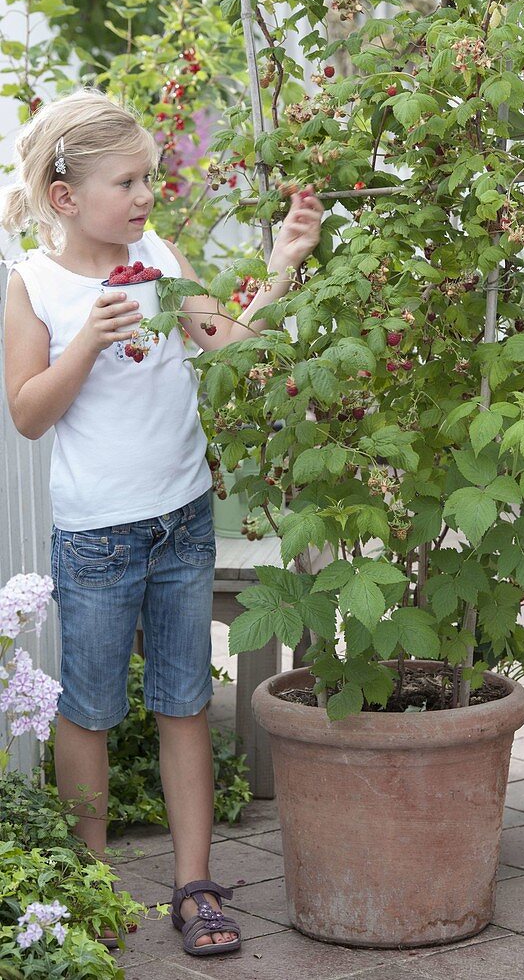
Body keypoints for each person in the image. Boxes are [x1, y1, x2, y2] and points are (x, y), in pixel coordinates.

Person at [1, 87, 324, 957]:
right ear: (67, 198)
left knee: (184, 704)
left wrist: (285, 263)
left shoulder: (157, 254)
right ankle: (92, 891)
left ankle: (195, 886)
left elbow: (229, 342)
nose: (146, 198)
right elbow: (29, 413)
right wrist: (87, 343)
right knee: (92, 713)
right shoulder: (36, 287)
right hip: (98, 536)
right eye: (128, 182)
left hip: (182, 523)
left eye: (149, 180)